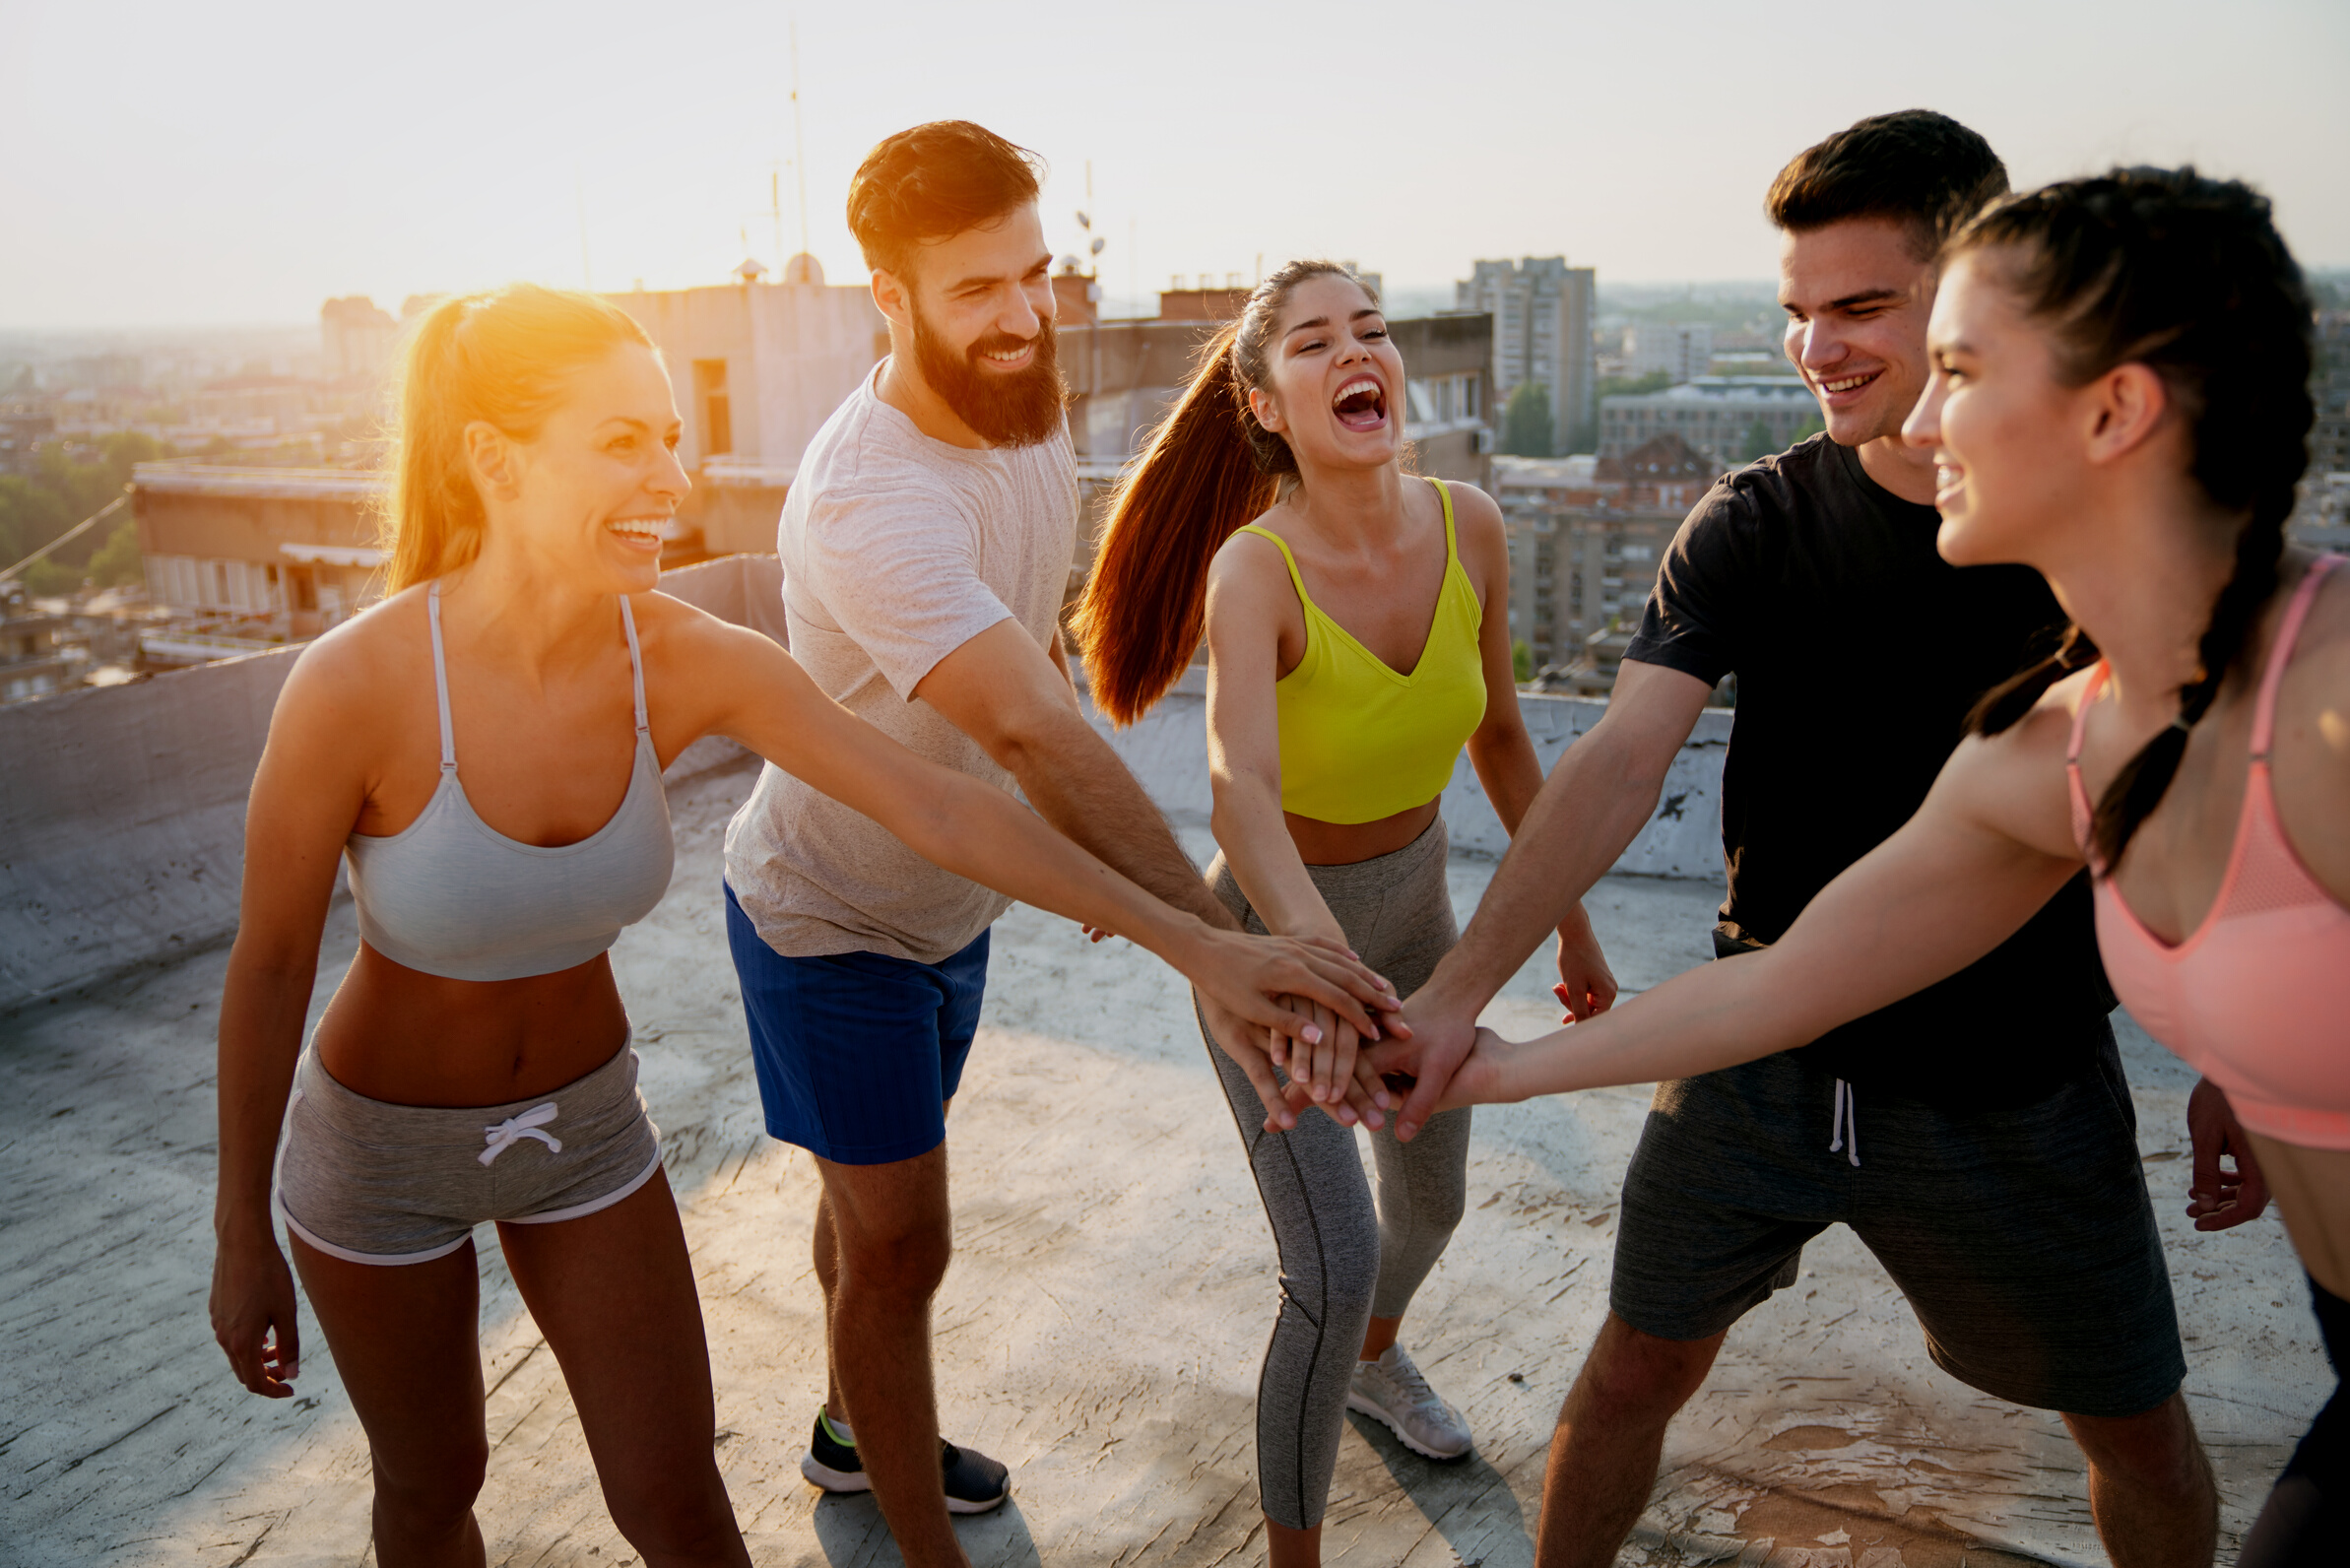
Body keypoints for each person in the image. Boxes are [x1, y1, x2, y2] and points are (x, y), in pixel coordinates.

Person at [208, 283, 1402, 1568]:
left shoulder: (684, 657)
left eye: (672, 436)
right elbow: (272, 963)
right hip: (375, 1160)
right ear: (494, 458)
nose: (670, 475)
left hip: (586, 1135)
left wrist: (1201, 943)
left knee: (677, 1503)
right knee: (434, 1489)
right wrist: (239, 1236)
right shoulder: (356, 686)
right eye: (620, 441)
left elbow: (942, 807)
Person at [1412, 165, 2343, 1568]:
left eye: (1951, 365)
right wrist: (1476, 1059)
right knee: (1630, 1369)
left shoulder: (2328, 703)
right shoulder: (2044, 754)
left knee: (2134, 1430)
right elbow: (1783, 988)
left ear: (2115, 411)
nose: (1907, 414)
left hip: (2012, 1093)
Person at [714, 124, 1402, 1568]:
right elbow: (1031, 735)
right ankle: (913, 1540)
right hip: (828, 918)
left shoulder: (1017, 412)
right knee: (905, 1245)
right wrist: (1201, 941)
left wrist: (1107, 880)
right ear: (886, 302)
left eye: (1034, 273)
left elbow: (1032, 673)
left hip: (949, 909)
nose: (1023, 316)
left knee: (870, 1216)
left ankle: (851, 1429)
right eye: (975, 290)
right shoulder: (869, 498)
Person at [1071, 259, 1616, 1566]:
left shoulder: (1469, 523)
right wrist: (1308, 965)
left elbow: (1496, 737)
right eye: (1314, 341)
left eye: (1368, 330)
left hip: (1418, 915)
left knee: (1429, 1208)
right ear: (1264, 404)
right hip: (1271, 947)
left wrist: (1572, 925)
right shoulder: (1254, 571)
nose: (1354, 351)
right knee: (1328, 1271)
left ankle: (1379, 1366)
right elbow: (1237, 794)